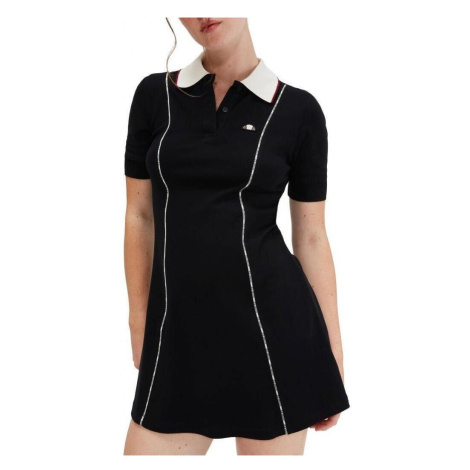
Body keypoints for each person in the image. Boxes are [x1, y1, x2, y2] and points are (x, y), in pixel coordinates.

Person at [123, 17, 350, 456]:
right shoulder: (154, 96)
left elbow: (311, 238)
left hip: (275, 337)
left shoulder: (299, 111)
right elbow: (140, 214)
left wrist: (333, 351)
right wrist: (138, 318)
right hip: (178, 340)